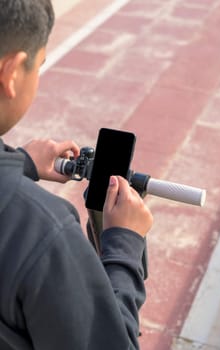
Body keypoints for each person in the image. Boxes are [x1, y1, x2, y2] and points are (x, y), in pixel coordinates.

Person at [0, 1, 153, 349]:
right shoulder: (42, 231)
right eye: (38, 66)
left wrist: (19, 163)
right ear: (11, 73)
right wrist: (125, 244)